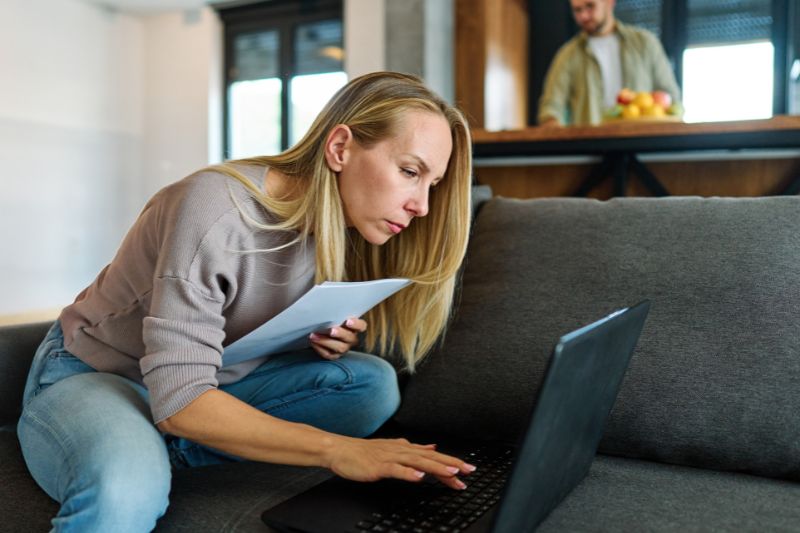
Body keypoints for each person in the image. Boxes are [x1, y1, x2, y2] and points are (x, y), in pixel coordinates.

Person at [17, 71, 476, 532]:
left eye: (432, 184)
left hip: (206, 379)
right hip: (103, 374)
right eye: (410, 172)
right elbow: (182, 397)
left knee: (371, 384)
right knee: (126, 492)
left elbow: (228, 324)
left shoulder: (343, 224)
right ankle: (142, 452)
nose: (423, 206)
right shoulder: (216, 209)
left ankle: (159, 444)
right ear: (340, 149)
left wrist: (311, 338)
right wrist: (340, 450)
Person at [538, 0, 681, 126]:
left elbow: (671, 97)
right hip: (591, 145)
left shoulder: (645, 43)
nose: (584, 16)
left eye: (590, 6)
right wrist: (553, 127)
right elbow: (551, 107)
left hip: (642, 144)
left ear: (609, 2)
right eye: (577, 10)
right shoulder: (567, 55)